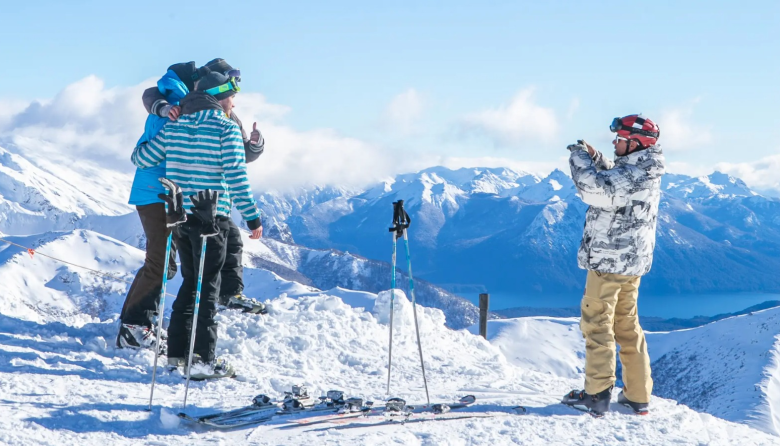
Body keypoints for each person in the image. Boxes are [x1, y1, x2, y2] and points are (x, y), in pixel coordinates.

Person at [131, 70, 262, 379]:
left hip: (179, 218)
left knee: (191, 285)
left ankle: (177, 355)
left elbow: (141, 158)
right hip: (210, 219)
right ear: (218, 97)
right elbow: (237, 179)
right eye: (231, 96)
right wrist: (252, 217)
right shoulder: (225, 130)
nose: (234, 101)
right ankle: (202, 360)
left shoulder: (175, 127)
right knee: (207, 289)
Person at [143, 58, 267, 315]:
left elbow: (241, 154)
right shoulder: (182, 100)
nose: (233, 96)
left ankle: (226, 295)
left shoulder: (227, 117)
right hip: (181, 199)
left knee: (225, 245)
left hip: (192, 203)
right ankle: (143, 319)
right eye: (229, 85)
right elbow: (151, 94)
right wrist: (164, 109)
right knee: (168, 264)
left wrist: (255, 145)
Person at [561, 114, 665, 416]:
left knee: (597, 325)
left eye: (620, 138)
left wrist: (580, 158)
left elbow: (593, 190)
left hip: (609, 262)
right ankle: (637, 394)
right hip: (632, 265)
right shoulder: (644, 168)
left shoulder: (633, 172)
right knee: (627, 325)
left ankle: (596, 394)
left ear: (636, 143)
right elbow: (616, 179)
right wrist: (597, 156)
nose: (615, 142)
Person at [117, 62, 208, 352]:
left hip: (158, 193)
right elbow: (153, 153)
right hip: (157, 193)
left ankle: (134, 322)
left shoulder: (171, 103)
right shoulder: (176, 110)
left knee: (162, 263)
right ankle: (134, 326)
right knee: (160, 262)